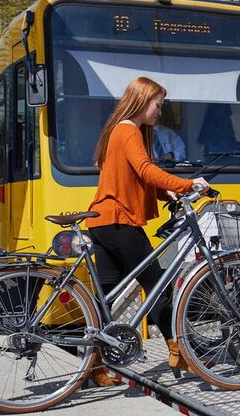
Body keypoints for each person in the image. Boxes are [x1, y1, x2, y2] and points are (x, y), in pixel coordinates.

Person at [86, 76, 209, 385]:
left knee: (106, 297)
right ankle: (178, 351)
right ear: (142, 101)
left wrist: (162, 194)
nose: (160, 111)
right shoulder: (128, 130)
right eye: (158, 104)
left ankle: (96, 366)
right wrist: (186, 183)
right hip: (119, 221)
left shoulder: (118, 130)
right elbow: (145, 170)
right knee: (157, 286)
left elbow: (128, 179)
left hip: (101, 223)